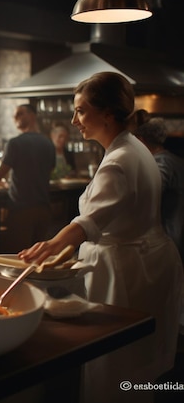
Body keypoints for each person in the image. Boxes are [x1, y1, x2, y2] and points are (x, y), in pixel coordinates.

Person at [19, 72, 183, 403]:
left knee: (113, 370)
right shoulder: (134, 148)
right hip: (150, 260)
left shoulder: (119, 160)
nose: (74, 120)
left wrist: (50, 246)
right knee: (139, 365)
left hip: (126, 270)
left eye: (80, 110)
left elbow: (88, 223)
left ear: (107, 113)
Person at [0, 103, 55, 252]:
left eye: (20, 113)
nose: (15, 117)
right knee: (37, 258)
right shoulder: (48, 143)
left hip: (21, 210)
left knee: (17, 257)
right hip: (44, 210)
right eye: (14, 115)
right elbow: (48, 171)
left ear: (32, 116)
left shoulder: (15, 143)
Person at [134, 116, 184, 258]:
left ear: (140, 140)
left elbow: (150, 193)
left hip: (170, 238)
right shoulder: (174, 160)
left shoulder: (160, 163)